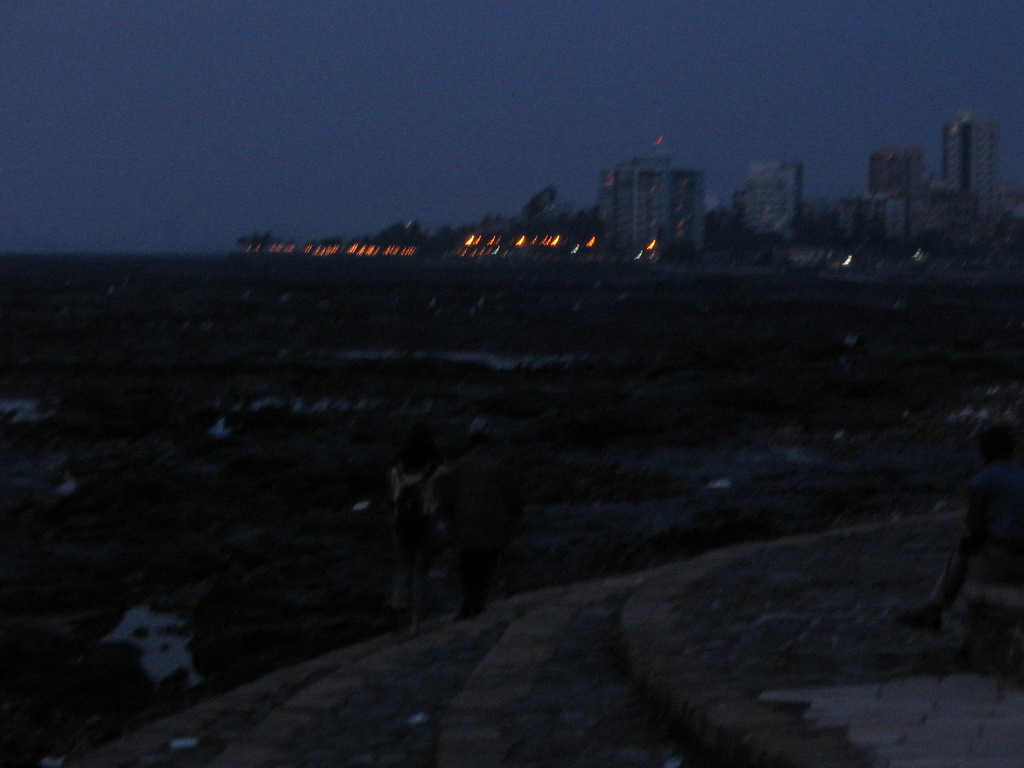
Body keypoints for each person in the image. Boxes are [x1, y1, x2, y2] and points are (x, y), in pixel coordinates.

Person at [900, 422, 1024, 632]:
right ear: (1012, 451)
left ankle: (936, 608)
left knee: (961, 553)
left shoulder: (982, 482)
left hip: (1005, 559)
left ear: (983, 453)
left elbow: (974, 527)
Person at [433, 426, 523, 619]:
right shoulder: (498, 466)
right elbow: (512, 496)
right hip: (492, 525)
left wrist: (449, 518)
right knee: (488, 563)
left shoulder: (458, 466)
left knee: (467, 564)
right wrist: (514, 514)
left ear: (470, 443)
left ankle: (468, 603)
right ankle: (479, 601)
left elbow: (447, 498)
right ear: (487, 443)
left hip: (464, 525)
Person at [387, 423, 443, 632]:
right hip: (425, 524)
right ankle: (415, 623)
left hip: (402, 523)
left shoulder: (397, 468)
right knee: (420, 573)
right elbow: (442, 496)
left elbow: (394, 499)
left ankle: (397, 608)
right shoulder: (437, 467)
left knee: (403, 569)